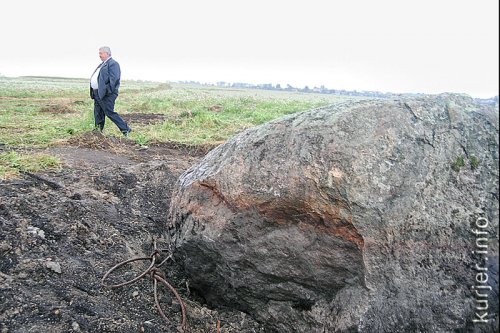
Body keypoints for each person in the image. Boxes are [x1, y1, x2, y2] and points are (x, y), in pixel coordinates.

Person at [90, 46, 132, 136]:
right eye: (99, 53)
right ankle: (98, 131)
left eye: (101, 53)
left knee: (109, 112)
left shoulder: (113, 64)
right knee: (98, 113)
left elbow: (114, 79)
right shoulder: (102, 64)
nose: (99, 55)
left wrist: (106, 91)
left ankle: (126, 129)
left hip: (106, 94)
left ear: (107, 53)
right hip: (97, 93)